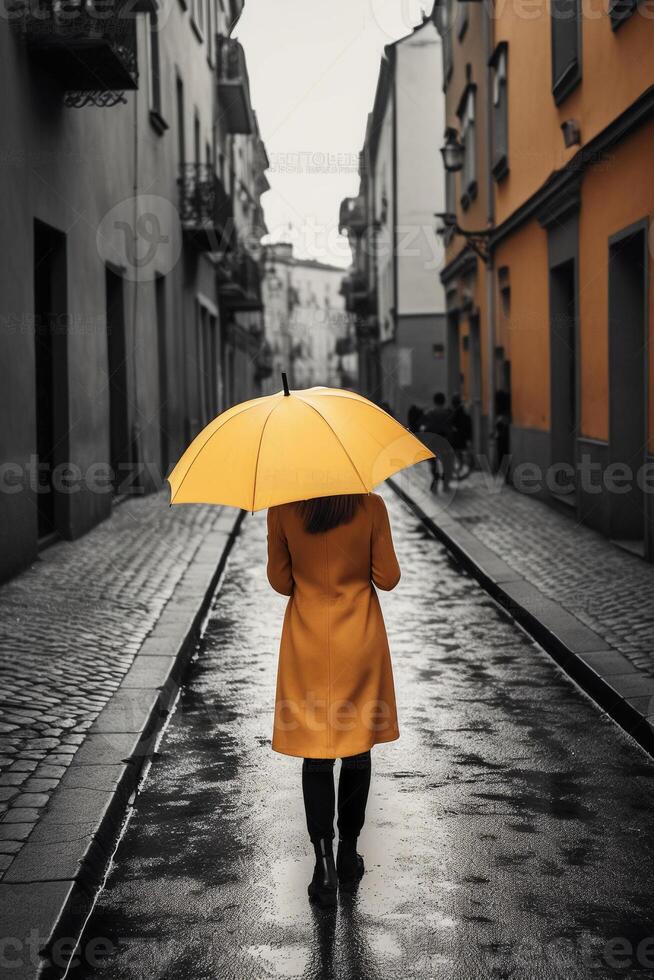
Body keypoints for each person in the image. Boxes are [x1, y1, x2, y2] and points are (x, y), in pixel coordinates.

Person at [266, 493, 401, 907]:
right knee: (357, 749)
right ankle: (348, 853)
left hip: (307, 638)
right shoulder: (371, 506)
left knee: (317, 752)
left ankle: (321, 863)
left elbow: (280, 582)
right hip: (357, 637)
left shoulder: (282, 510)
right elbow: (388, 577)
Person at [420, 392, 454, 492]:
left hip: (433, 442)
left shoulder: (430, 413)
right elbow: (450, 428)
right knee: (447, 464)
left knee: (433, 464)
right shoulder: (448, 413)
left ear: (434, 401)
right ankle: (445, 485)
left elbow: (426, 428)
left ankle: (435, 481)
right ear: (444, 401)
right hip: (444, 441)